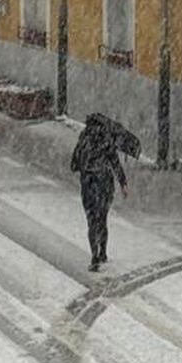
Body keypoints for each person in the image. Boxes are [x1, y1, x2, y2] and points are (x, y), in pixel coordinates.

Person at [70, 112, 134, 271]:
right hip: (105, 183)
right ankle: (103, 252)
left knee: (92, 220)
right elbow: (115, 163)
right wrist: (123, 183)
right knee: (102, 218)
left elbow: (73, 165)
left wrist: (84, 165)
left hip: (88, 183)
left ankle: (94, 256)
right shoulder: (107, 141)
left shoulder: (83, 140)